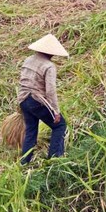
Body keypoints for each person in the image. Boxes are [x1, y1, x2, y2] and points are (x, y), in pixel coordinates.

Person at [17, 34, 69, 164]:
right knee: (60, 125)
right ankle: (54, 160)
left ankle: (24, 163)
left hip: (23, 99)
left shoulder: (28, 60)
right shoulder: (49, 66)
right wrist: (56, 111)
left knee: (31, 132)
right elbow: (50, 91)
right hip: (37, 101)